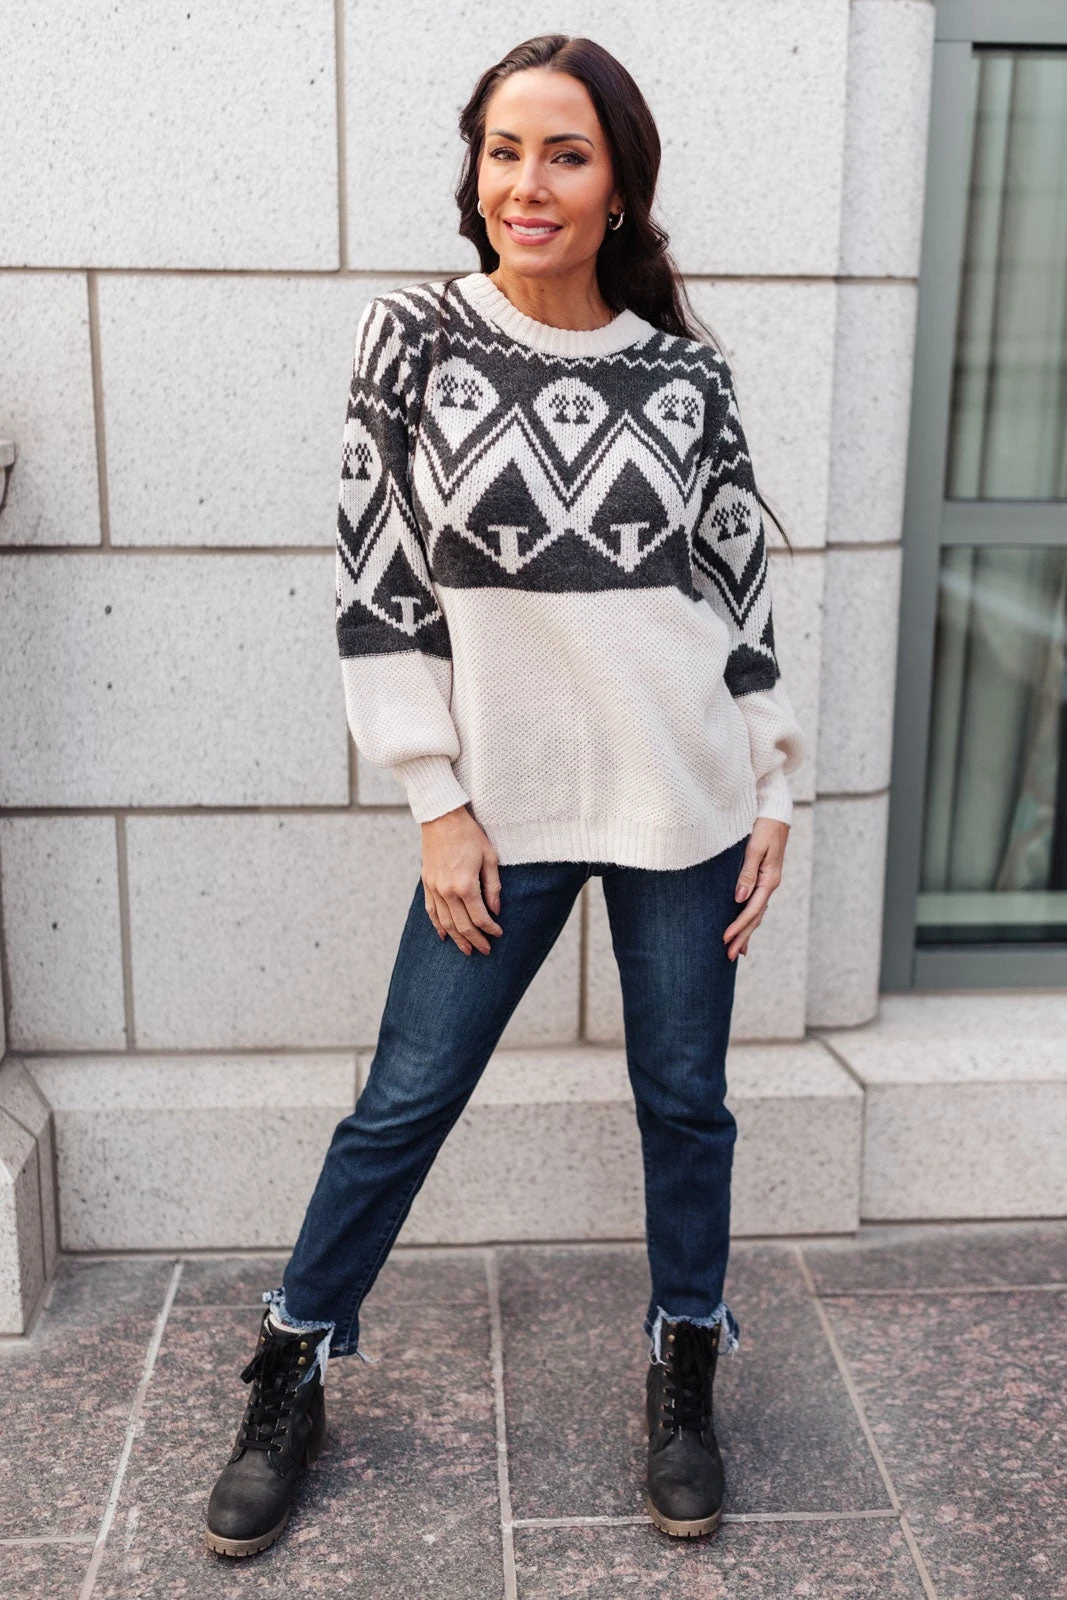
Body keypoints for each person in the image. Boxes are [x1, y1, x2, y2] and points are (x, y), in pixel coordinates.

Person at [204, 31, 806, 1559]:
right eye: (503, 151)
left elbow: (737, 594)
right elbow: (379, 583)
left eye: (565, 154)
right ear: (475, 172)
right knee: (404, 1100)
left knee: (686, 1104)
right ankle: (290, 1368)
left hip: (685, 801)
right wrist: (436, 795)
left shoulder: (685, 374)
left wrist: (774, 787)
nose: (525, 183)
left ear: (619, 188)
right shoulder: (413, 336)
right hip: (500, 811)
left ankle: (684, 1362)